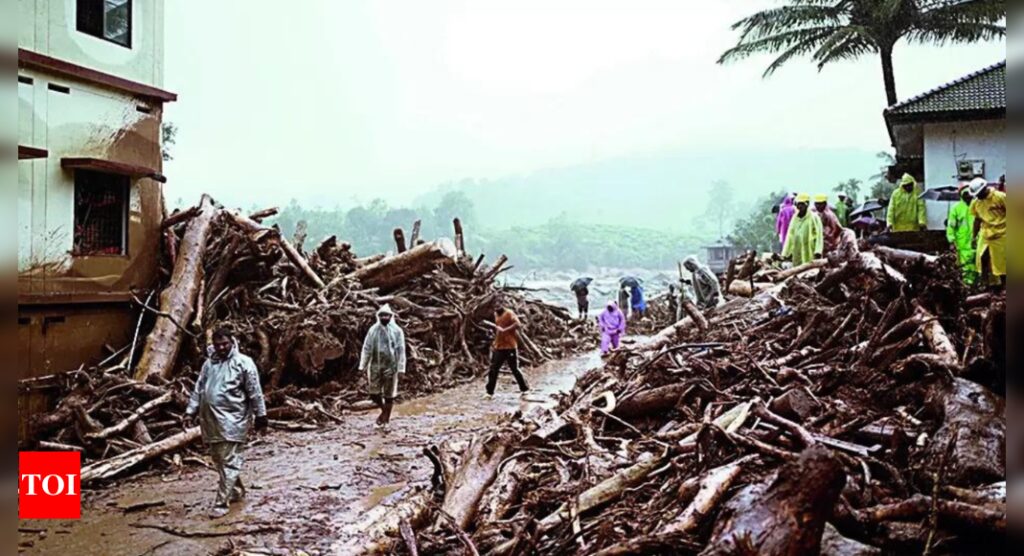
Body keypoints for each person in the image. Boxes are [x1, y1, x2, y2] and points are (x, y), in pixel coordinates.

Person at [185, 328, 268, 519]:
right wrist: (190, 411)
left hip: (234, 421)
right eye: (218, 344)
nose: (221, 348)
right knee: (220, 460)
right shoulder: (209, 364)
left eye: (225, 344)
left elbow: (255, 392)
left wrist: (261, 417)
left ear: (233, 342)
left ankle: (221, 503)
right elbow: (199, 389)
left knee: (229, 461)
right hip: (211, 422)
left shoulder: (244, 363)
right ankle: (237, 491)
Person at [359, 304, 407, 430]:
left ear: (391, 316)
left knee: (389, 394)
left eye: (387, 315)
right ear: (378, 316)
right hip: (375, 365)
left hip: (391, 366)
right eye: (382, 316)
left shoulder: (397, 331)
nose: (384, 318)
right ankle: (383, 411)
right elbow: (367, 348)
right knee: (374, 393)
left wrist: (401, 368)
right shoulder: (373, 330)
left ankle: (385, 420)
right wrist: (362, 365)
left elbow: (401, 350)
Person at [969, 177, 1006, 287]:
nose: (978, 196)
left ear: (984, 189)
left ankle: (1005, 285)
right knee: (982, 257)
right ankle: (987, 284)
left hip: (1003, 234)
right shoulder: (976, 202)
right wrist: (973, 236)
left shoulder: (1000, 197)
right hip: (986, 234)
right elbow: (977, 220)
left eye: (979, 193)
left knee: (1003, 262)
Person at [486, 303, 529, 397]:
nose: (496, 309)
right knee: (493, 369)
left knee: (514, 369)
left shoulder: (509, 313)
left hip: (510, 347)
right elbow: (498, 327)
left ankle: (524, 389)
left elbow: (518, 324)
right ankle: (489, 392)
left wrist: (505, 330)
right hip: (499, 346)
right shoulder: (495, 314)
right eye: (495, 307)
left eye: (498, 306)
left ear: (502, 305)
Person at [946, 183, 978, 285]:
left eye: (969, 194)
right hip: (962, 243)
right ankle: (968, 285)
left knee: (978, 264)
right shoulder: (956, 209)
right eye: (965, 194)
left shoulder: (977, 205)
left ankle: (978, 284)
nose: (968, 196)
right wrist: (951, 240)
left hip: (977, 241)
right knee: (966, 266)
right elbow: (951, 227)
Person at [781, 193, 823, 266]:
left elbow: (819, 235)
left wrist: (818, 251)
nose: (799, 206)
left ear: (807, 204)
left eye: (802, 204)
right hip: (797, 249)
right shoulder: (795, 218)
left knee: (809, 269)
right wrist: (785, 253)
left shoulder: (814, 217)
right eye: (798, 204)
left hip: (809, 249)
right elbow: (790, 235)